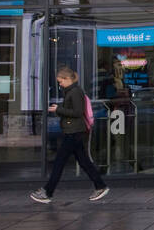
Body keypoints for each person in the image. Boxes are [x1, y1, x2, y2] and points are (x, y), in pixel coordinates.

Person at [31, 65, 110, 203]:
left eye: (61, 81)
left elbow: (78, 112)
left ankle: (48, 192)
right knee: (83, 161)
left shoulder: (75, 92)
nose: (60, 84)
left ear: (68, 79)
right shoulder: (72, 91)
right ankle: (100, 185)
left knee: (59, 162)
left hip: (74, 132)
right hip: (74, 131)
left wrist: (59, 109)